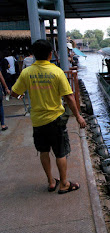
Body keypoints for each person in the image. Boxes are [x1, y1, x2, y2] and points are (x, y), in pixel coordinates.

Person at [11, 39, 86, 194]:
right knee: (60, 152)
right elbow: (69, 97)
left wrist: (23, 97)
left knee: (44, 151)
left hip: (38, 121)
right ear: (50, 54)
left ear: (33, 55)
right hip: (56, 119)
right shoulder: (56, 72)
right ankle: (64, 183)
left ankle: (51, 182)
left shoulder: (27, 72)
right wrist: (78, 116)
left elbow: (14, 94)